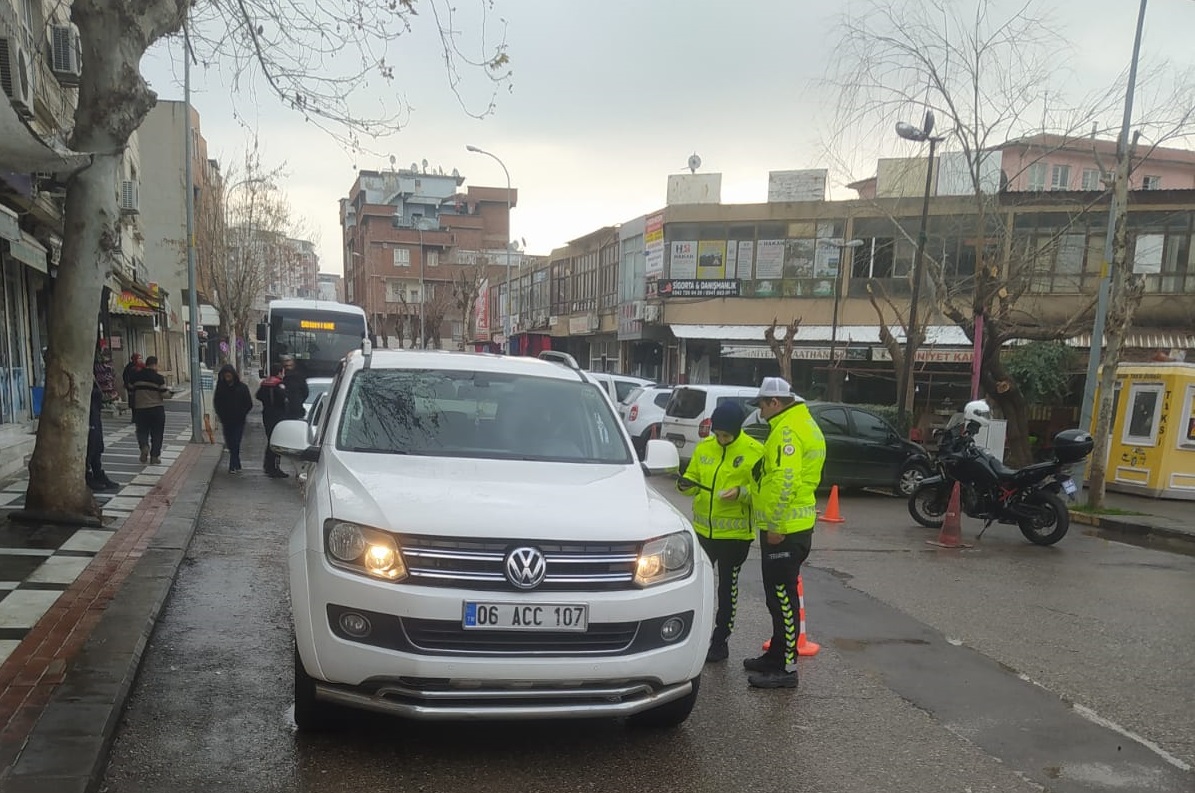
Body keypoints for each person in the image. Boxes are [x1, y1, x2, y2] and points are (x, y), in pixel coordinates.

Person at [743, 376, 826, 689]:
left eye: (762, 405)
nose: (760, 412)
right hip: (793, 526)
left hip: (785, 529)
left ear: (774, 403)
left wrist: (775, 525)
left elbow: (783, 482)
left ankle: (787, 668)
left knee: (782, 599)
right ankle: (777, 655)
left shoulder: (787, 432)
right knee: (777, 597)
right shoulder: (800, 424)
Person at [676, 402, 763, 663]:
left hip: (734, 537)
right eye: (717, 434)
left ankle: (720, 639)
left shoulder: (754, 451)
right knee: (697, 587)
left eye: (726, 435)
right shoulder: (704, 448)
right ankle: (692, 637)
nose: (721, 439)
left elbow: (761, 492)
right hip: (703, 531)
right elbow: (691, 482)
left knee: (727, 588)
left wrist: (741, 493)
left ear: (737, 431)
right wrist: (684, 484)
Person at [129, 356, 170, 465]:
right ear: (155, 364)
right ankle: (154, 456)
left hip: (141, 409)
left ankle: (144, 446)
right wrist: (171, 393)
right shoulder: (158, 378)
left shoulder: (136, 377)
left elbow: (131, 390)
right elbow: (164, 394)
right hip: (156, 409)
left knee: (142, 431)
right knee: (157, 434)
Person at [213, 364, 253, 474]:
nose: (227, 378)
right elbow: (217, 402)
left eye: (229, 376)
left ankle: (232, 465)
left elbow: (249, 403)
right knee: (230, 443)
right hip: (226, 420)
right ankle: (237, 462)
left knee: (236, 442)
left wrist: (242, 413)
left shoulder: (242, 388)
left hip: (239, 421)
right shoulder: (221, 388)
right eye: (225, 376)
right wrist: (220, 415)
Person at [85, 380, 119, 491]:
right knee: (90, 446)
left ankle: (98, 474)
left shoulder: (92, 378)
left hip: (95, 414)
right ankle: (86, 475)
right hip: (87, 416)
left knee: (97, 445)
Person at [256, 367, 289, 478]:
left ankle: (268, 465)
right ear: (279, 373)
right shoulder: (279, 385)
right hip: (277, 417)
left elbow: (258, 395)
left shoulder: (265, 384)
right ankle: (273, 467)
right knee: (276, 442)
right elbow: (284, 398)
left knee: (271, 440)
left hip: (267, 415)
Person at [281, 355, 308, 420]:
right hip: (283, 412)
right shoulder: (281, 379)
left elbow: (305, 392)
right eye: (286, 365)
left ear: (294, 364)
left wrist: (298, 401)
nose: (287, 365)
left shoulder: (299, 378)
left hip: (296, 410)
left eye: (289, 363)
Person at [122, 353, 143, 422]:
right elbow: (125, 376)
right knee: (133, 403)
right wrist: (128, 384)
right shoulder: (129, 366)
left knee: (140, 403)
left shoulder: (142, 366)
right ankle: (134, 417)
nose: (140, 360)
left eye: (140, 358)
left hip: (140, 387)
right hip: (132, 387)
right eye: (138, 358)